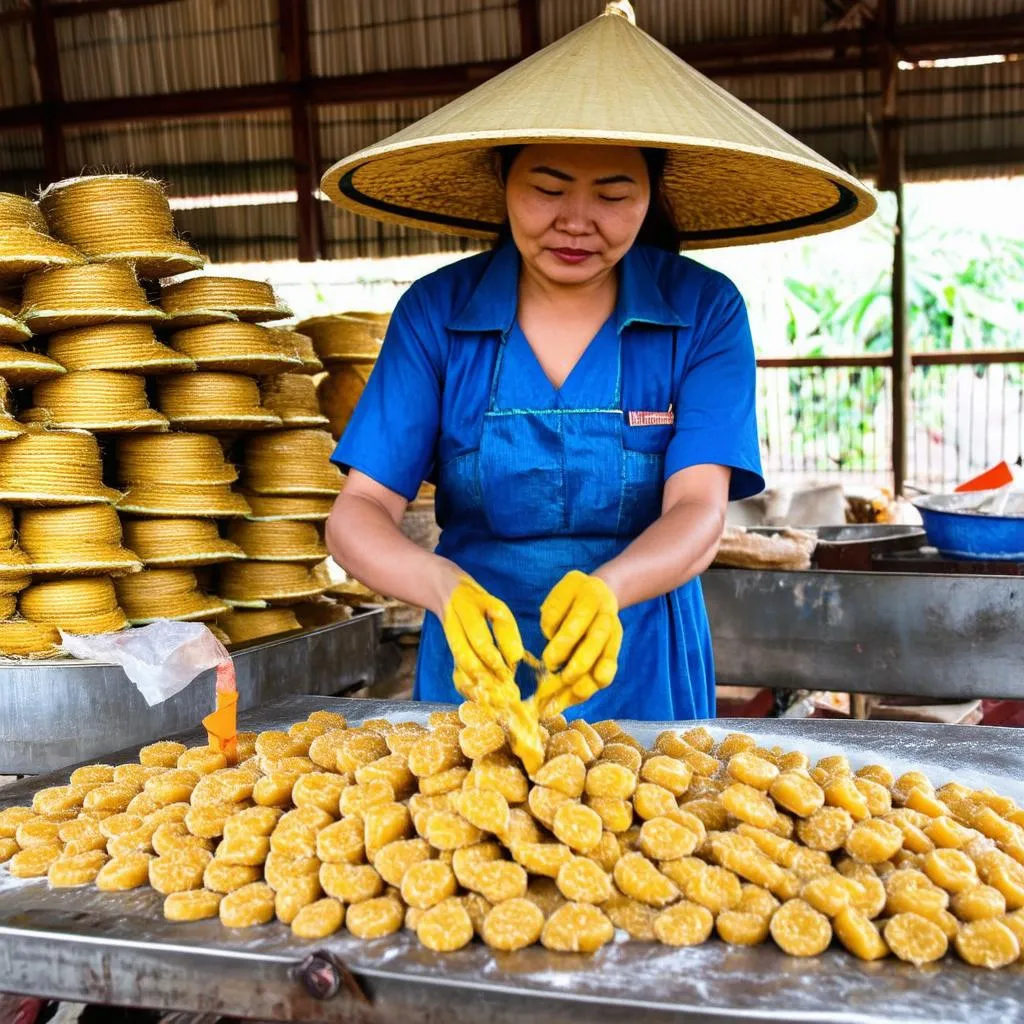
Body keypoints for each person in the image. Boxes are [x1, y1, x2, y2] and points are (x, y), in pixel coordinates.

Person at [321, 2, 875, 722]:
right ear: (502, 179)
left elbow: (698, 508)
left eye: (614, 194)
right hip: (473, 664)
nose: (577, 221)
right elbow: (357, 512)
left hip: (643, 651)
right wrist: (439, 586)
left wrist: (608, 588)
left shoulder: (703, 311)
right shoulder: (437, 312)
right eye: (547, 189)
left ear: (652, 195)